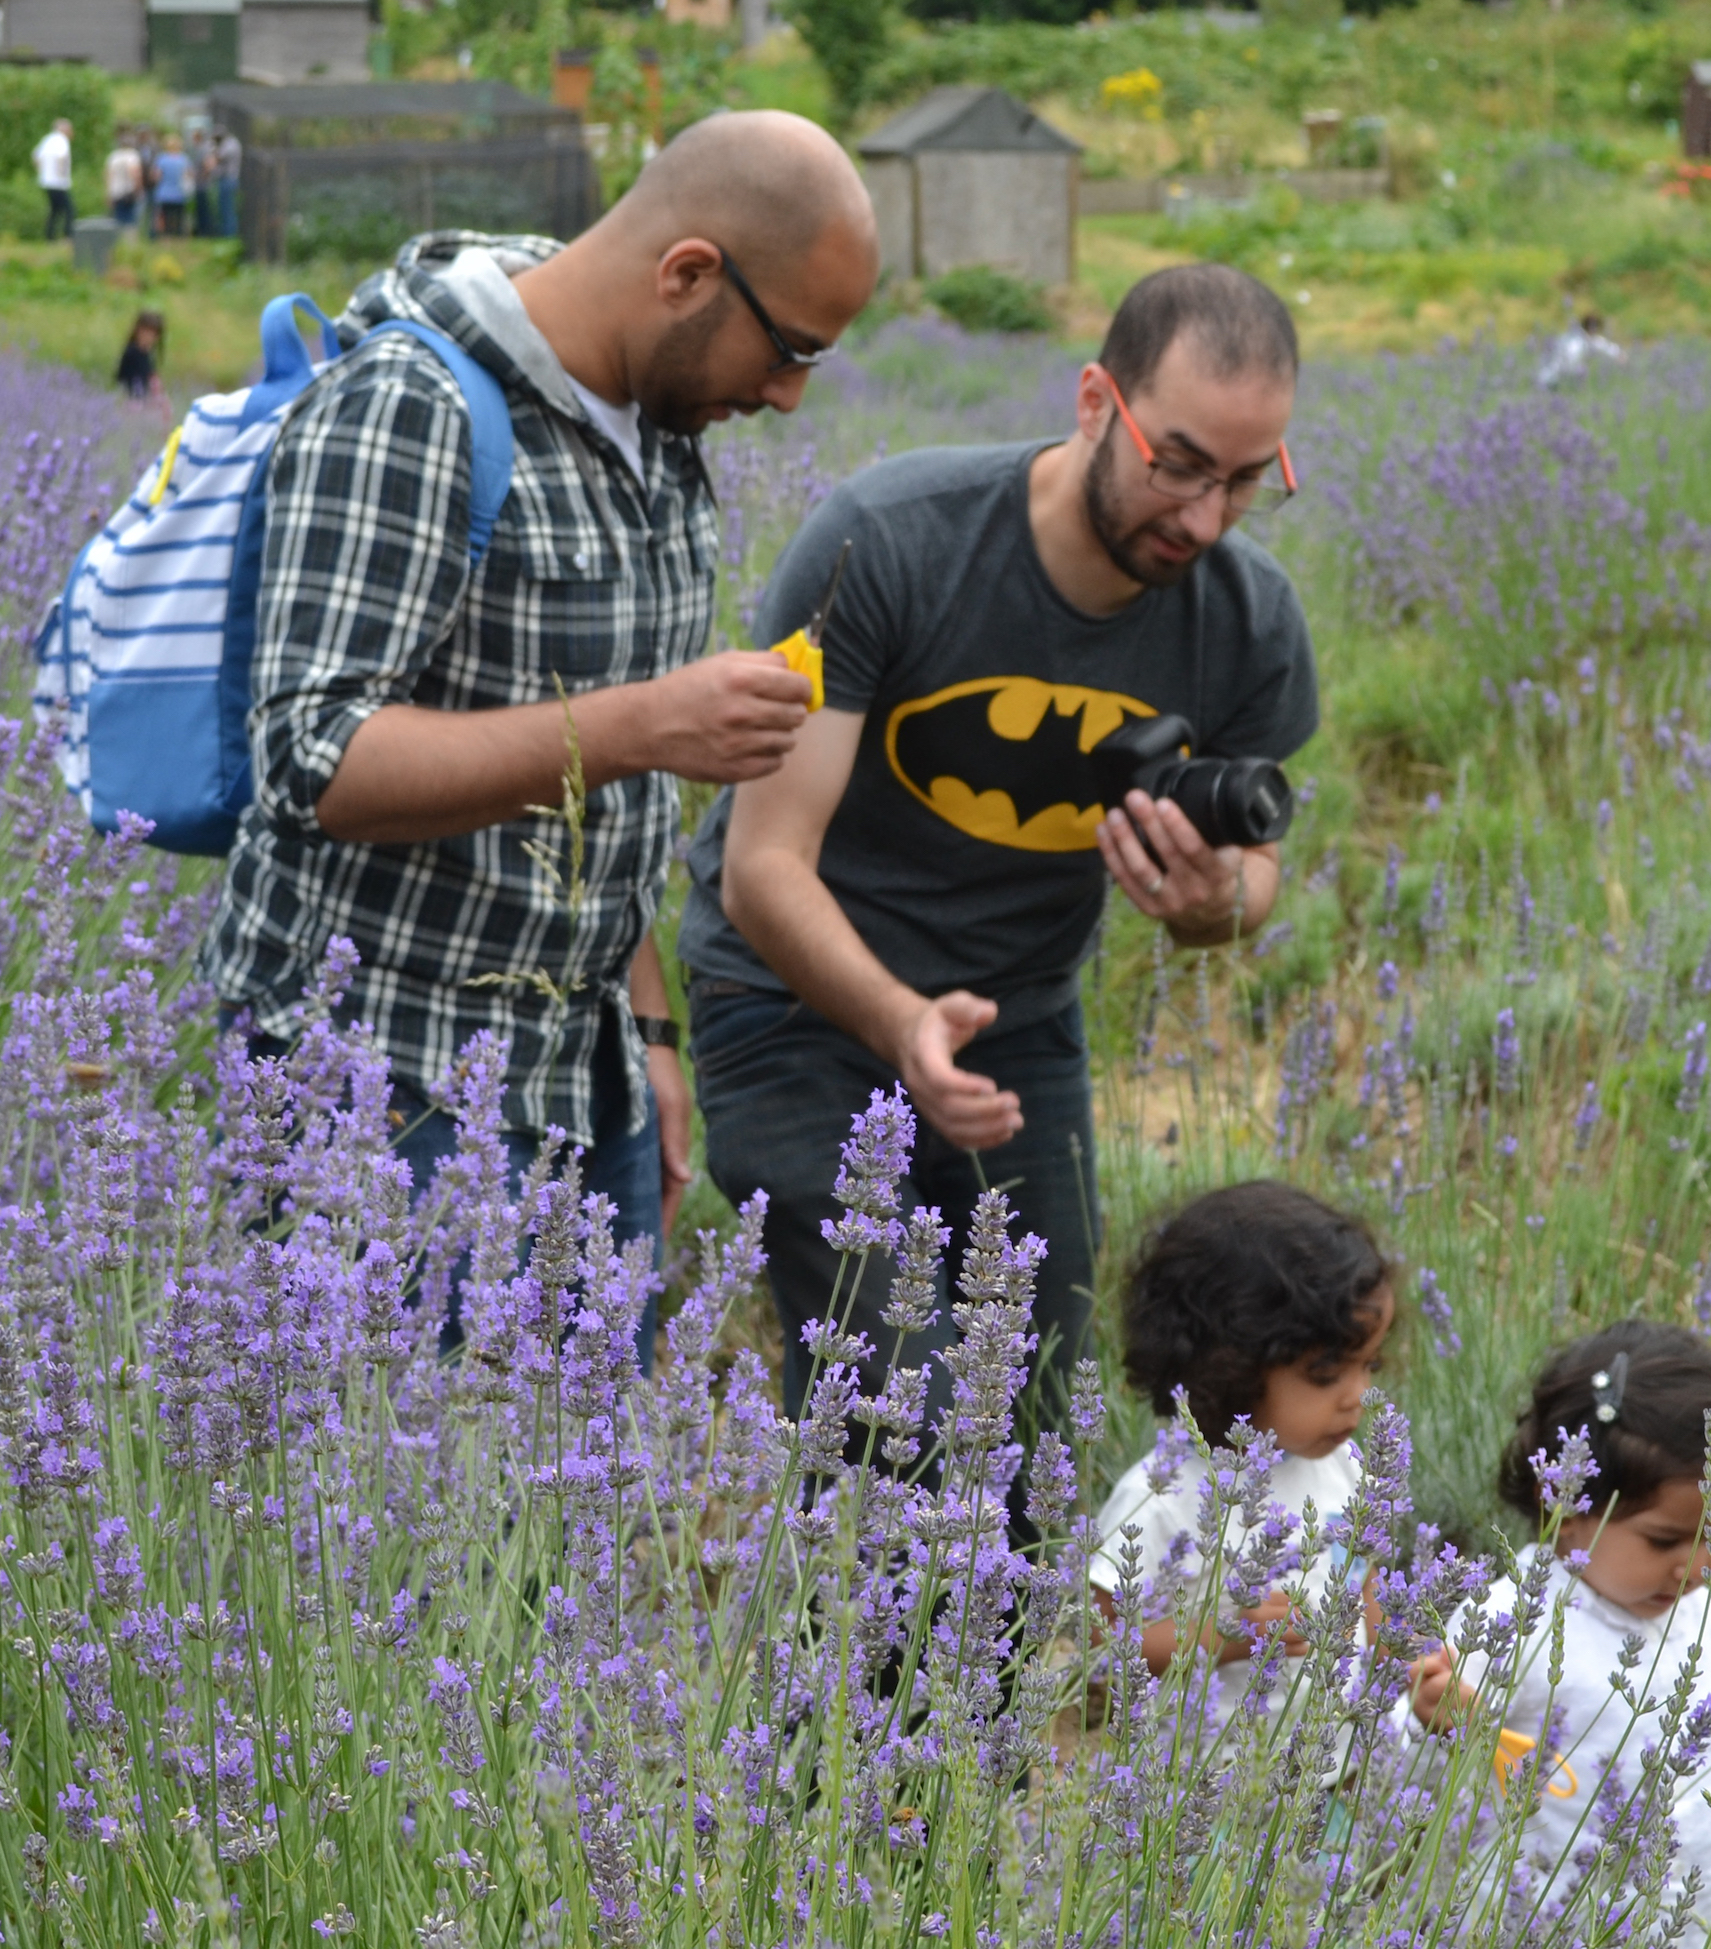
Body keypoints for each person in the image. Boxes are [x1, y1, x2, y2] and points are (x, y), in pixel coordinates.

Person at [199, 112, 878, 1370]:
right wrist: (637, 726)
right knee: (379, 1516)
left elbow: (595, 823)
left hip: (585, 1077)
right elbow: (312, 755)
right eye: (786, 350)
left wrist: (651, 1040)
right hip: (378, 1086)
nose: (785, 396)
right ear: (685, 274)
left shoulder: (658, 424)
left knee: (555, 1527)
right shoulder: (408, 408)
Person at [681, 261, 1320, 1430]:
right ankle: (834, 1614)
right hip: (788, 1004)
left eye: (1241, 482)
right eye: (1173, 462)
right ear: (1093, 403)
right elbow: (762, 864)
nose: (1200, 517)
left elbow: (1255, 882)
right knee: (889, 1396)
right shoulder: (886, 542)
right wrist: (897, 1022)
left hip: (1015, 1022)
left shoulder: (1248, 618)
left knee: (1032, 1403)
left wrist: (1208, 901)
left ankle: (992, 1625)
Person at [1403, 1321, 1711, 1938]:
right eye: (1666, 1539)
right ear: (1564, 1500)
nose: (1701, 1567)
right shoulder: (1514, 1624)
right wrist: (1433, 1725)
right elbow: (1417, 1795)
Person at [1089, 1181, 1394, 1735]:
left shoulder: (1347, 1467)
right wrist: (1221, 1635)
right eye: (1326, 1375)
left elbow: (1364, 1588)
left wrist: (1411, 1669)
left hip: (1330, 1765)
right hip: (1205, 1790)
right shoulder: (1161, 1497)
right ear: (1231, 1366)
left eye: (1371, 1365)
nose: (1358, 1395)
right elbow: (1100, 1651)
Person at [34, 118, 73, 242]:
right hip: (58, 182)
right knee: (69, 209)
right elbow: (62, 158)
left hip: (46, 181)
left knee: (55, 210)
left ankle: (50, 237)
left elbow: (36, 156)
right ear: (64, 129)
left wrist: (42, 172)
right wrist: (62, 175)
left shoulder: (47, 139)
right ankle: (68, 236)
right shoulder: (61, 140)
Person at [116, 310, 166, 404]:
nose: (148, 337)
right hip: (132, 400)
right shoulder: (132, 353)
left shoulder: (147, 355)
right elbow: (124, 380)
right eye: (145, 332)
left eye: (152, 334)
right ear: (137, 331)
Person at [151, 134, 191, 239]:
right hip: (179, 193)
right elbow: (188, 175)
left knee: (165, 217)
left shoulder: (162, 159)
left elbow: (157, 176)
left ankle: (166, 237)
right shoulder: (183, 159)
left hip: (164, 193)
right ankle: (179, 237)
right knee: (179, 218)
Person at [106, 129, 143, 231]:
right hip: (129, 191)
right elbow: (135, 174)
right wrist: (138, 188)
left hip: (116, 191)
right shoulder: (133, 155)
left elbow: (109, 176)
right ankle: (129, 242)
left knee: (118, 218)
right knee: (131, 219)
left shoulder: (113, 156)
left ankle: (118, 240)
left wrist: (108, 193)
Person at [212, 125, 241, 241]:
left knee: (228, 209)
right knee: (224, 209)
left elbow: (218, 157)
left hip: (229, 179)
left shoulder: (231, 144)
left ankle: (230, 236)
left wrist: (213, 148)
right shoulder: (227, 144)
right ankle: (226, 235)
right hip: (225, 180)